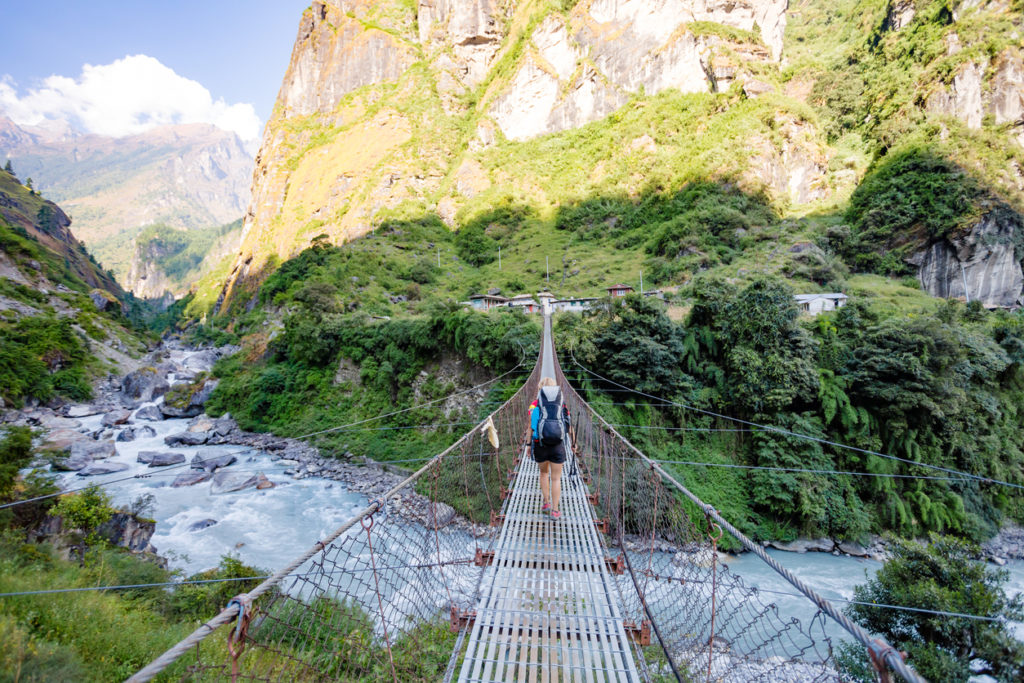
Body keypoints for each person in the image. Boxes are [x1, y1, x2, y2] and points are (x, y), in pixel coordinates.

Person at [529, 377, 570, 519]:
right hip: (558, 444)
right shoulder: (562, 404)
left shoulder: (535, 404)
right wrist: (574, 443)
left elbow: (532, 426)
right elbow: (567, 423)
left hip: (540, 444)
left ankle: (546, 502)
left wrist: (529, 445)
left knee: (544, 474)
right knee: (556, 478)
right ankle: (555, 510)